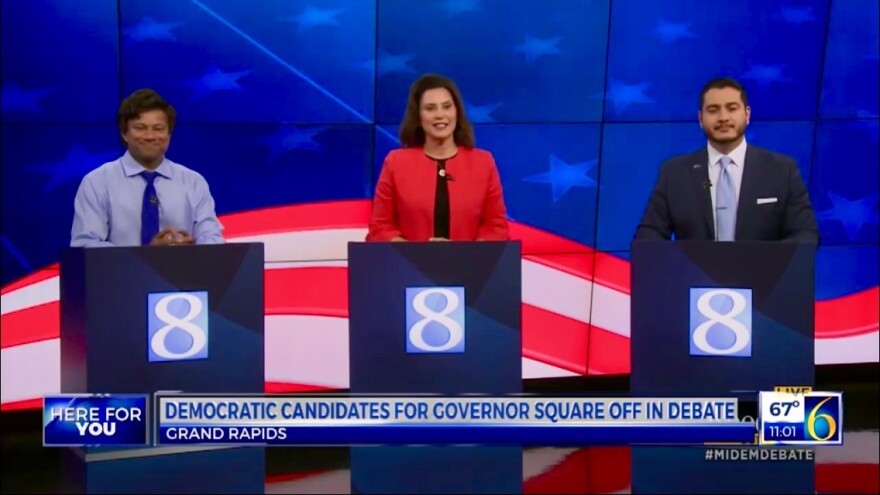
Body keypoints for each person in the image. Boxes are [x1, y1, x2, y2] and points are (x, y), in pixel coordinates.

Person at [635, 77, 819, 242]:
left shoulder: (782, 169)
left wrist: (767, 265)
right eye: (713, 110)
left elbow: (806, 233)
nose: (723, 117)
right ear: (700, 118)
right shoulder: (674, 172)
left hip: (763, 277)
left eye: (732, 108)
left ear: (747, 114)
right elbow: (649, 234)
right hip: (693, 278)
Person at [70, 88, 224, 247]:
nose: (150, 136)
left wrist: (191, 249)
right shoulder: (97, 183)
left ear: (169, 134)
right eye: (140, 128)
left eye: (158, 129)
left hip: (181, 271)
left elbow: (213, 239)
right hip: (120, 272)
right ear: (124, 133)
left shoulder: (193, 182)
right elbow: (85, 245)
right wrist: (146, 256)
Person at [366, 74, 509, 242]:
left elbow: (496, 226)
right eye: (430, 108)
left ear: (457, 112)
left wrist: (466, 255)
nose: (440, 115)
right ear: (418, 117)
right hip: (409, 265)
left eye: (447, 106)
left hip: (470, 266)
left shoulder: (483, 162)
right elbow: (380, 227)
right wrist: (419, 254)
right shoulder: (396, 162)